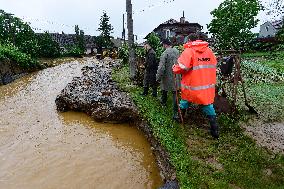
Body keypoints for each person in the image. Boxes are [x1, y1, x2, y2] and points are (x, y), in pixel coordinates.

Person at [172, 34, 219, 139]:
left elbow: (182, 67)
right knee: (207, 105)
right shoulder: (209, 51)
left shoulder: (189, 51)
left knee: (184, 101)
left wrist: (174, 68)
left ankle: (180, 119)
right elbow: (213, 65)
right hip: (206, 87)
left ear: (188, 40)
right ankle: (215, 130)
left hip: (192, 86)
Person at [156, 38, 181, 120]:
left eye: (163, 45)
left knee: (164, 88)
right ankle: (175, 113)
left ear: (165, 44)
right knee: (175, 93)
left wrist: (158, 77)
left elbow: (161, 67)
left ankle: (163, 102)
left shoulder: (165, 53)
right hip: (177, 76)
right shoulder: (177, 51)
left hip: (167, 76)